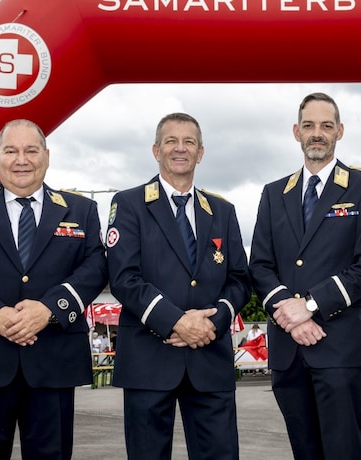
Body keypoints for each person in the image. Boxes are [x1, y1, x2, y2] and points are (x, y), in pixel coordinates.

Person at [0, 119, 108, 460]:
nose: (21, 159)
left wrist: (49, 310)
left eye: (31, 150)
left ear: (47, 155)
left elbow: (96, 266)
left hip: (52, 360)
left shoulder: (81, 210)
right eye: (11, 151)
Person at [106, 112, 251, 459]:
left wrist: (213, 323)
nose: (180, 149)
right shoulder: (128, 204)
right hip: (148, 360)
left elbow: (240, 280)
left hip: (209, 358)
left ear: (201, 152)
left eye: (189, 142)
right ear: (156, 150)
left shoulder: (223, 210)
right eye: (171, 141)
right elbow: (124, 278)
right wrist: (176, 321)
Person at [249, 92, 361, 459]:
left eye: (326, 126)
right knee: (304, 452)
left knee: (344, 451)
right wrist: (291, 318)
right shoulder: (274, 193)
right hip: (288, 349)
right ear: (296, 132)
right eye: (309, 126)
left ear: (340, 131)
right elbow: (260, 265)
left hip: (339, 346)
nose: (317, 133)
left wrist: (309, 306)